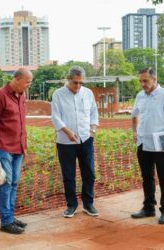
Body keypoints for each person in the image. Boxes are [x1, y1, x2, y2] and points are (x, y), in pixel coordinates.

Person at [0, 68, 32, 234]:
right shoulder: (0, 95)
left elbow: (22, 123)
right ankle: (6, 221)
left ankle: (11, 217)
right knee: (6, 183)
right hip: (4, 147)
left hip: (18, 148)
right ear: (18, 79)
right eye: (27, 82)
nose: (28, 85)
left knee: (14, 182)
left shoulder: (22, 96)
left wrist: (24, 146)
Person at [131, 67, 164, 224]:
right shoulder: (140, 96)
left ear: (154, 79)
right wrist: (134, 132)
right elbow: (134, 115)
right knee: (147, 177)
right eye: (140, 81)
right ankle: (148, 208)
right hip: (143, 142)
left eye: (145, 81)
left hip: (160, 142)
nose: (142, 84)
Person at [51, 66, 99, 218]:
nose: (78, 86)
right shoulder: (58, 94)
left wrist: (93, 130)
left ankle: (88, 204)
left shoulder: (88, 93)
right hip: (65, 142)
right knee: (69, 175)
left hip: (86, 139)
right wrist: (67, 132)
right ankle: (71, 205)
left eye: (80, 83)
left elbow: (93, 112)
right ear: (68, 79)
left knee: (89, 173)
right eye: (75, 82)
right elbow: (55, 117)